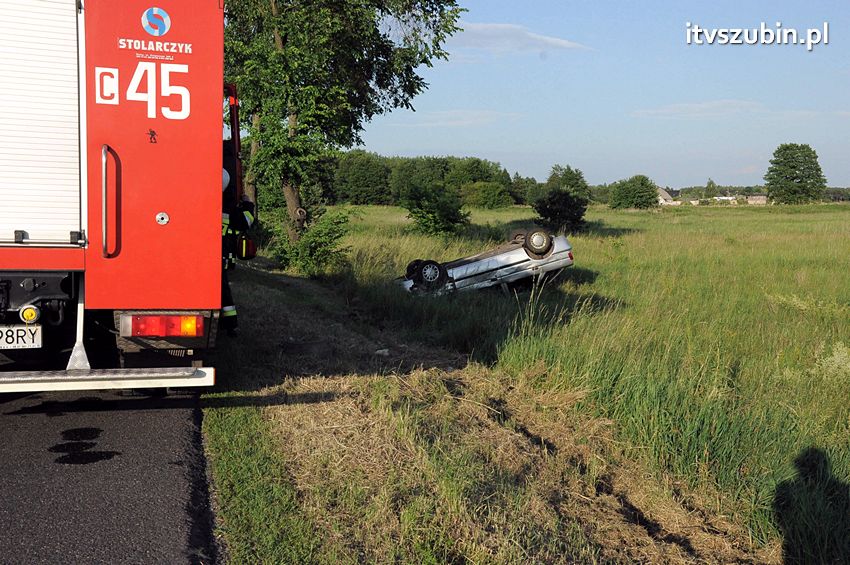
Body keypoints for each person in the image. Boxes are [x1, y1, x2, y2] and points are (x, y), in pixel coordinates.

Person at [221, 142, 254, 336]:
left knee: (223, 293)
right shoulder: (228, 209)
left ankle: (231, 325)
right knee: (223, 292)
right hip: (219, 259)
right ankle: (231, 326)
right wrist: (249, 206)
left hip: (207, 258)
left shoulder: (196, 204)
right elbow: (245, 222)